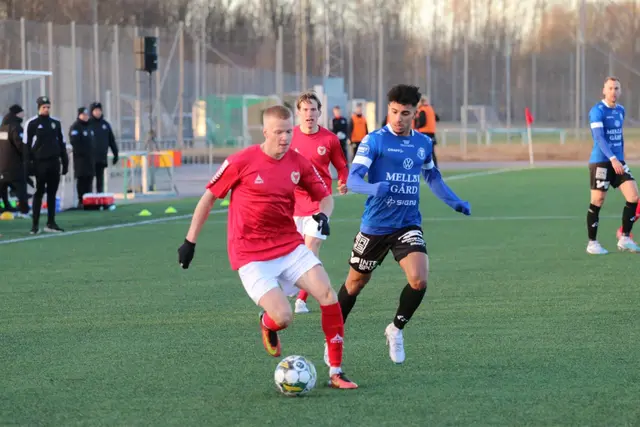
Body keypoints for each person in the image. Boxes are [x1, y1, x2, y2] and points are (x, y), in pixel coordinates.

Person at [177, 105, 358, 389]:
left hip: (288, 245)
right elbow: (208, 198)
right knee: (283, 317)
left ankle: (336, 371)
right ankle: (268, 323)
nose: (285, 138)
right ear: (265, 132)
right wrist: (190, 241)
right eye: (278, 132)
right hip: (250, 255)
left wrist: (323, 214)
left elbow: (325, 196)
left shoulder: (297, 163)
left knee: (326, 293)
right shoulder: (242, 161)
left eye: (288, 131)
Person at [328, 84, 471, 365]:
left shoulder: (422, 144)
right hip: (375, 226)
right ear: (388, 110)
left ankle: (395, 329)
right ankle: (332, 338)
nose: (397, 118)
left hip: (407, 224)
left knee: (419, 279)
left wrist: (454, 201)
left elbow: (433, 178)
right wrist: (373, 188)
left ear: (414, 114)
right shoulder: (374, 140)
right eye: (393, 112)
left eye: (404, 113)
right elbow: (352, 179)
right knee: (355, 284)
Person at [290, 92, 349, 314]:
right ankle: (297, 285)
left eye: (313, 109)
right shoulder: (289, 136)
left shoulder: (329, 140)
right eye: (304, 110)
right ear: (298, 113)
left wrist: (343, 181)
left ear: (319, 112)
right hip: (292, 205)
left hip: (319, 203)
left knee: (310, 248)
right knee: (292, 252)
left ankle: (301, 299)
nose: (309, 114)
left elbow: (342, 166)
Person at [583, 76, 640, 254]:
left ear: (620, 91)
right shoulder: (597, 111)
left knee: (633, 196)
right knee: (598, 200)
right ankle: (592, 243)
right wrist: (613, 158)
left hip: (618, 161)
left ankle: (624, 238)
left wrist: (620, 158)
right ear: (604, 90)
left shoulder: (620, 110)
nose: (613, 92)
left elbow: (619, 137)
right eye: (610, 88)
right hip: (601, 161)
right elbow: (599, 137)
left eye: (616, 88)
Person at [23, 96, 68, 234]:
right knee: (39, 192)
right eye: (44, 107)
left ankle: (51, 223)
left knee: (52, 193)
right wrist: (27, 166)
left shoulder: (56, 123)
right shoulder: (31, 123)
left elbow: (62, 143)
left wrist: (65, 162)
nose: (46, 109)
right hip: (39, 163)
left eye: (48, 107)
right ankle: (35, 224)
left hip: (54, 163)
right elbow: (26, 146)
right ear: (39, 108)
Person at [0, 104, 30, 217]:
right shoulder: (16, 127)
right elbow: (20, 146)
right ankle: (24, 210)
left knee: (2, 189)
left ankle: (5, 208)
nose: (23, 115)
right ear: (17, 114)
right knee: (21, 188)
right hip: (14, 165)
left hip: (2, 166)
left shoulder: (2, 128)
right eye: (22, 113)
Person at [88, 102, 118, 193]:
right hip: (89, 158)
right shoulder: (88, 124)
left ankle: (99, 197)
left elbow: (111, 140)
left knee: (100, 179)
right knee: (89, 180)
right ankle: (88, 199)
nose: (98, 112)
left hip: (101, 158)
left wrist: (115, 153)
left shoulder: (105, 125)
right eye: (95, 110)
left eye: (99, 110)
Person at [69, 107, 95, 208]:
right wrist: (82, 152)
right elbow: (75, 142)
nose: (85, 117)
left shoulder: (89, 126)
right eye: (83, 115)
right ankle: (81, 200)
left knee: (89, 179)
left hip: (90, 159)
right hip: (80, 159)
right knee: (82, 180)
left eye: (86, 115)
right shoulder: (75, 127)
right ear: (79, 115)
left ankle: (89, 200)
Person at [414, 96, 440, 167]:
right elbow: (437, 118)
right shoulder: (430, 109)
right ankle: (435, 167)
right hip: (431, 133)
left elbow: (422, 122)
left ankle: (419, 167)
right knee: (431, 152)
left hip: (424, 133)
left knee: (420, 151)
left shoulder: (422, 110)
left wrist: (416, 127)